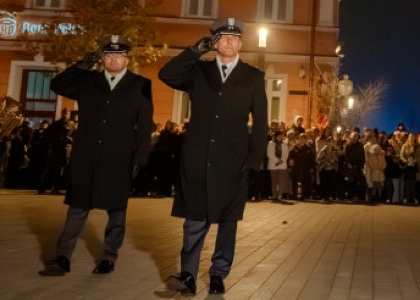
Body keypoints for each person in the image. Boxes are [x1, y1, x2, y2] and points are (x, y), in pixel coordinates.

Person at [159, 17, 267, 296]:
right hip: (196, 158)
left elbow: (262, 123)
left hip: (234, 162)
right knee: (195, 218)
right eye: (223, 38)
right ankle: (188, 275)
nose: (229, 42)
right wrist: (196, 50)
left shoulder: (253, 77)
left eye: (234, 38)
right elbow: (167, 75)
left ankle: (219, 274)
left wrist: (253, 161)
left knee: (227, 221)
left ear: (241, 43)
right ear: (215, 42)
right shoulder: (199, 71)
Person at [40, 35, 154, 276]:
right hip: (86, 157)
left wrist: (141, 159)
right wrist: (84, 63)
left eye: (118, 56)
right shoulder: (88, 81)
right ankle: (62, 258)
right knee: (77, 208)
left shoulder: (141, 84)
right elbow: (57, 85)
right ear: (102, 59)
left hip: (119, 159)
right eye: (108, 56)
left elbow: (145, 126)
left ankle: (109, 257)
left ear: (127, 59)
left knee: (116, 212)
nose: (113, 60)